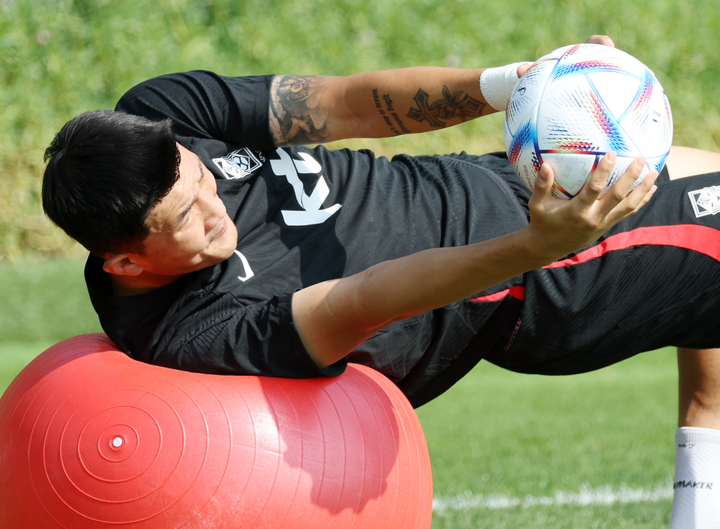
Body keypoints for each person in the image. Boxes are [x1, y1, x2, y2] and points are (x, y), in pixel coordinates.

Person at [41, 35, 720, 527]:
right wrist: (539, 244)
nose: (214, 202)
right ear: (126, 262)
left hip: (496, 178)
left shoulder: (163, 113)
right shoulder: (189, 328)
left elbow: (345, 104)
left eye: (202, 177)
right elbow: (364, 298)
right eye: (189, 215)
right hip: (547, 275)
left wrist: (517, 83)